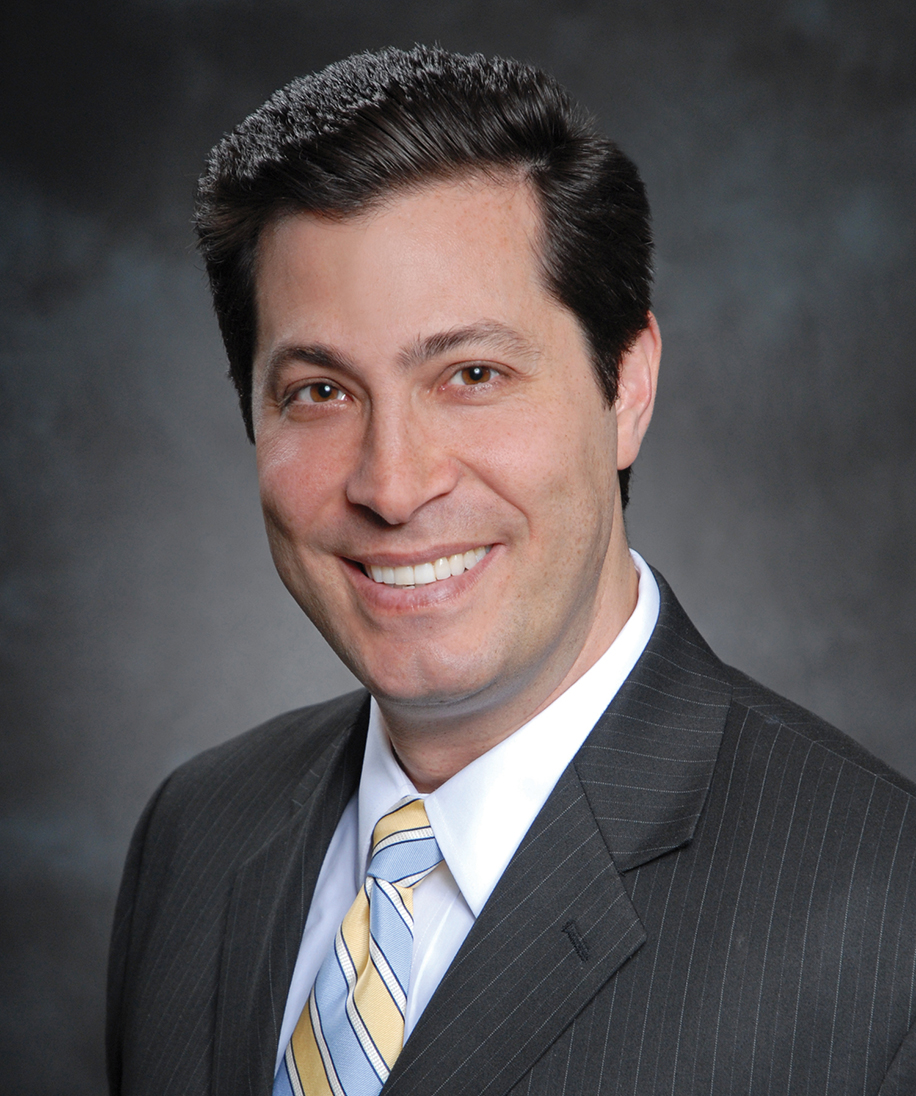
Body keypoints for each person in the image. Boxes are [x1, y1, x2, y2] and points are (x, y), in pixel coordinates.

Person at [106, 45, 916, 1096]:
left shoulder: (887, 916)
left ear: (626, 387)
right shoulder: (195, 835)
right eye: (319, 392)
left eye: (473, 374)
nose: (392, 485)